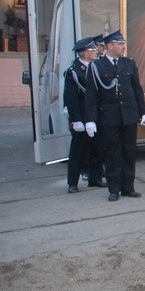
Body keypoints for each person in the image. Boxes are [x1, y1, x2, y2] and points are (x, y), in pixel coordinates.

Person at [84, 31, 145, 202]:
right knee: (113, 154)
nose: (123, 46)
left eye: (123, 43)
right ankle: (114, 188)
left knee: (129, 152)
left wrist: (144, 112)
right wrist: (90, 119)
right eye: (119, 43)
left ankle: (128, 187)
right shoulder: (96, 67)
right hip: (109, 117)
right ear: (110, 46)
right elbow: (91, 95)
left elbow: (137, 90)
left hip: (129, 115)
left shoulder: (129, 64)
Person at [63, 37, 105, 193]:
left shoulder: (96, 68)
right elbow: (71, 99)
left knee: (97, 149)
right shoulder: (73, 72)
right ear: (85, 53)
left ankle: (95, 179)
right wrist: (76, 120)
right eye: (93, 50)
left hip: (95, 116)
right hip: (81, 116)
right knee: (77, 151)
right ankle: (72, 183)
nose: (96, 52)